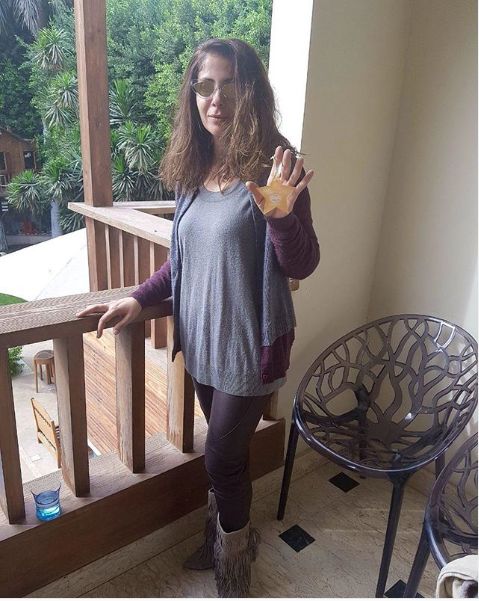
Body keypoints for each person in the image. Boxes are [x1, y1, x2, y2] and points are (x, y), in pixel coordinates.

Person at [76, 38, 319, 597]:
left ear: (251, 91)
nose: (216, 99)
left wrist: (281, 216)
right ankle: (226, 541)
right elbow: (181, 263)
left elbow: (303, 263)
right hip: (204, 343)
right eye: (205, 86)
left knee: (221, 456)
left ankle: (233, 570)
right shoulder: (194, 169)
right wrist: (138, 299)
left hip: (250, 349)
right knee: (227, 461)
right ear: (193, 94)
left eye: (230, 85)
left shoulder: (276, 166)